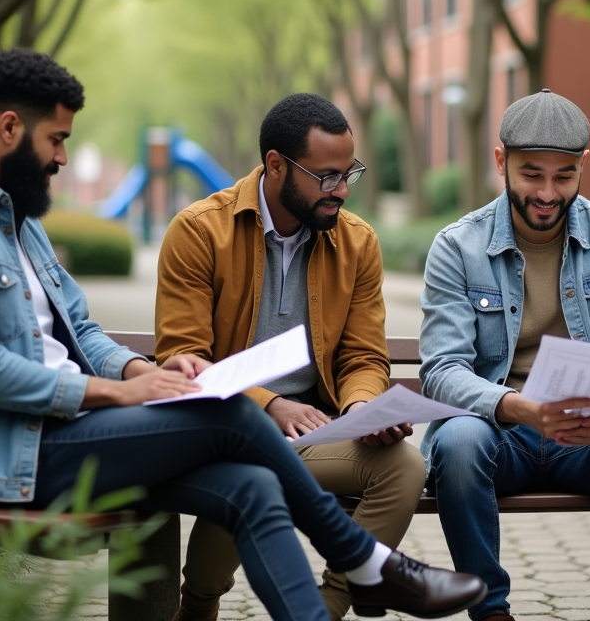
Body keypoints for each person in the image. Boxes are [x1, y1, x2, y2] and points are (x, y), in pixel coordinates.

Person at [0, 49, 486, 621]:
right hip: (26, 452)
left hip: (79, 433)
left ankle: (339, 586)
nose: (63, 158)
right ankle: (369, 563)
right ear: (10, 128)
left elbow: (83, 334)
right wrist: (120, 396)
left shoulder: (17, 219)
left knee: (251, 483)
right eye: (57, 139)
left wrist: (142, 373)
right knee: (233, 419)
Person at [155, 93, 427, 621]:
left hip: (317, 432)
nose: (343, 191)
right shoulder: (198, 231)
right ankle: (199, 605)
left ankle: (325, 608)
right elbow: (183, 358)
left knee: (404, 466)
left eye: (350, 173)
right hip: (222, 428)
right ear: (276, 165)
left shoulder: (357, 242)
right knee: (254, 464)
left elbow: (364, 357)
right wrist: (270, 405)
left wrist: (361, 411)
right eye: (328, 176)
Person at [418, 89, 590, 621]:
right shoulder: (456, 246)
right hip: (500, 433)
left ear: (584, 166)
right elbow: (442, 370)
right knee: (458, 439)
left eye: (564, 176)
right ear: (500, 161)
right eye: (532, 174)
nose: (548, 193)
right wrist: (521, 408)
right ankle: (490, 610)